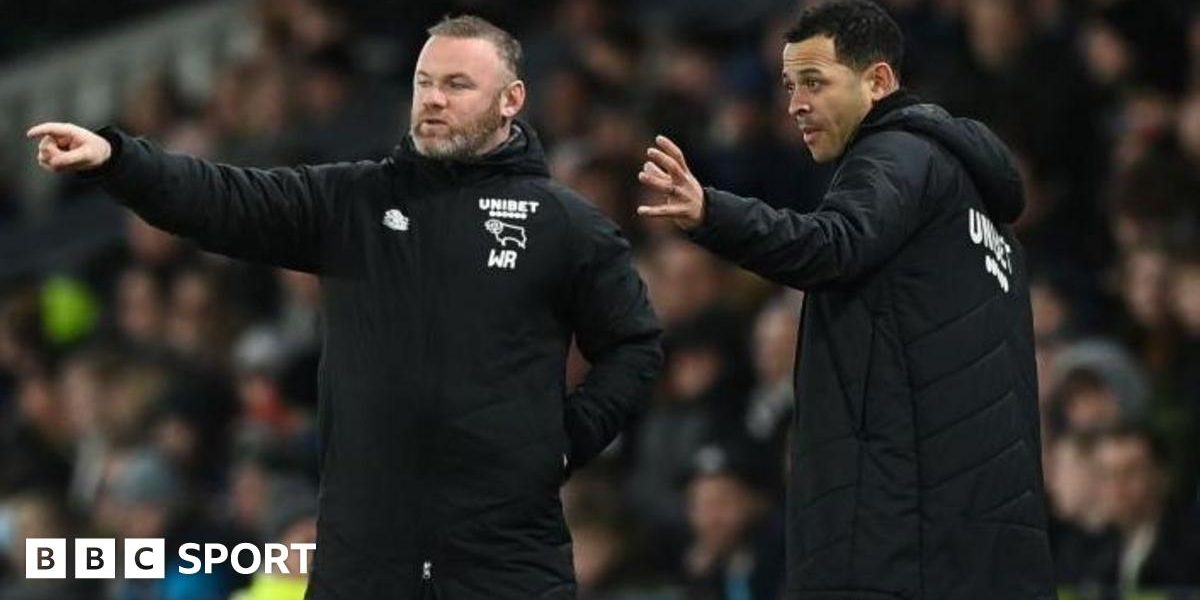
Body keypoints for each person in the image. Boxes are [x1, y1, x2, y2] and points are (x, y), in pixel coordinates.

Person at [27, 15, 662, 600]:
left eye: (458, 84)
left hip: (505, 561)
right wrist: (118, 160)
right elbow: (223, 199)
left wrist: (563, 439)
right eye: (424, 82)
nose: (434, 99)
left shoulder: (565, 225)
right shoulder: (352, 202)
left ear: (511, 100)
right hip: (363, 562)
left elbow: (634, 345)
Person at [636, 1, 1053, 597]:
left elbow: (831, 244)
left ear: (878, 81)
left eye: (814, 82)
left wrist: (711, 212)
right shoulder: (984, 219)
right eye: (787, 86)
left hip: (903, 537)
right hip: (979, 539)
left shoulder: (898, 152)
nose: (795, 105)